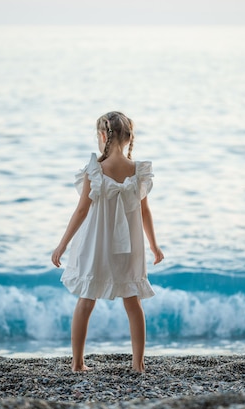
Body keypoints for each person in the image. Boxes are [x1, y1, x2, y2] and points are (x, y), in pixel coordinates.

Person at [51, 111, 164, 373]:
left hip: (97, 244)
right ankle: (138, 364)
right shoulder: (139, 171)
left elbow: (81, 211)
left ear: (103, 136)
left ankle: (77, 363)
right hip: (130, 247)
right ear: (129, 138)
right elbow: (145, 212)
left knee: (86, 299)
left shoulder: (95, 170)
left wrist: (62, 244)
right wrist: (154, 245)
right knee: (133, 300)